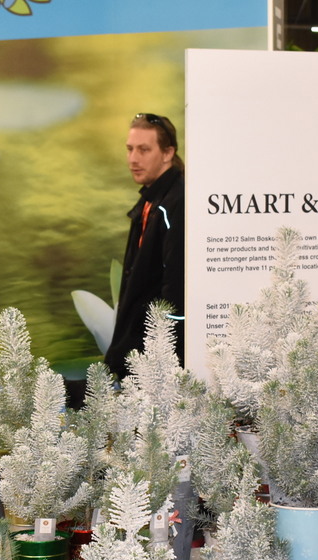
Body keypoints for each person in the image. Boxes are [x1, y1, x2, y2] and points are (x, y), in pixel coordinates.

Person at [104, 112, 186, 378]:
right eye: (130, 149)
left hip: (156, 362)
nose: (133, 159)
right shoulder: (151, 199)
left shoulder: (176, 202)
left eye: (144, 149)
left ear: (168, 153)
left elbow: (176, 287)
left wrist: (165, 362)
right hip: (139, 353)